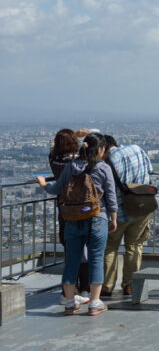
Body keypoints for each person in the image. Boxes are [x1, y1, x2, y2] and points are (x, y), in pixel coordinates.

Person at [37, 132, 117, 316]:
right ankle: (95, 302)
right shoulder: (103, 168)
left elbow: (57, 188)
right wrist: (113, 219)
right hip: (98, 217)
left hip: (72, 219)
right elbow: (111, 197)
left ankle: (69, 302)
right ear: (102, 149)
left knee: (72, 259)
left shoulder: (72, 166)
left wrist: (43, 185)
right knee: (96, 258)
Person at [101, 135, 154, 298]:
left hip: (118, 212)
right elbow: (149, 170)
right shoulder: (137, 149)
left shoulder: (106, 162)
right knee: (135, 246)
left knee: (110, 248)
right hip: (141, 206)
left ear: (103, 148)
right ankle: (130, 286)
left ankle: (107, 287)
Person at [48, 128, 89, 294]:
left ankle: (71, 288)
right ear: (74, 144)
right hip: (83, 206)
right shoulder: (78, 160)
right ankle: (86, 286)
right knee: (85, 247)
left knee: (69, 247)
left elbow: (53, 147)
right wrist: (82, 144)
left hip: (64, 207)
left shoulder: (54, 159)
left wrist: (73, 136)